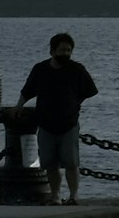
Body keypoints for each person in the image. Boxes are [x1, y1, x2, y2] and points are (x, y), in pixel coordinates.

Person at [20, 32, 100, 204]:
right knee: (50, 163)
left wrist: (76, 102)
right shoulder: (40, 69)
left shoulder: (77, 70)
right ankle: (55, 195)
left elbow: (90, 90)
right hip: (46, 124)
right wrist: (18, 107)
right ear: (52, 50)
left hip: (69, 123)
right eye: (62, 50)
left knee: (71, 162)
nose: (66, 53)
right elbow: (27, 91)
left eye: (69, 50)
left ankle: (73, 196)